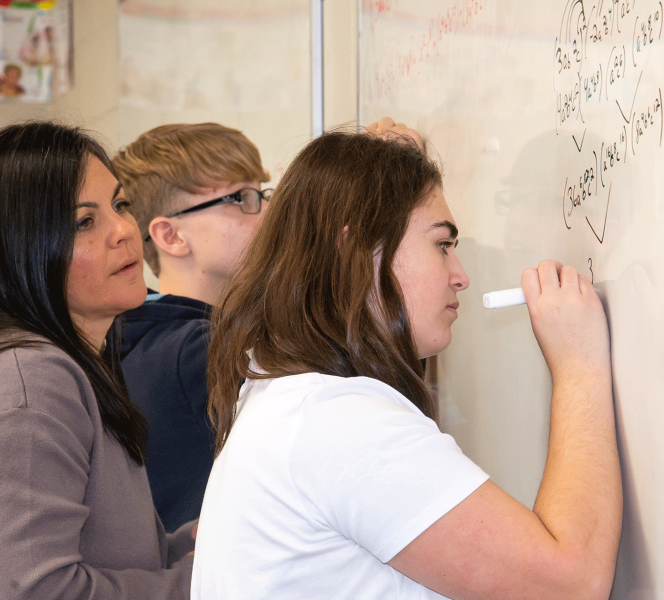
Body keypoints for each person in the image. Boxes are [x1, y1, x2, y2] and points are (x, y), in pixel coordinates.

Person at [191, 120, 622, 599]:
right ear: (359, 250)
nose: (461, 276)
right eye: (442, 244)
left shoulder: (293, 397)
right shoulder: (339, 422)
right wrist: (579, 367)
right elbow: (571, 585)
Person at [0, 122, 194, 599]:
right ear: (23, 250)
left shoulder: (37, 364)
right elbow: (39, 593)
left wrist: (215, 543)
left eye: (120, 206)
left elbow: (119, 557)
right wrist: (208, 584)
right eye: (84, 222)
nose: (123, 231)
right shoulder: (30, 383)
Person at [111, 123, 270, 532]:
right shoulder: (196, 350)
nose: (266, 211)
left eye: (262, 194)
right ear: (170, 235)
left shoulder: (144, 335)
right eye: (241, 198)